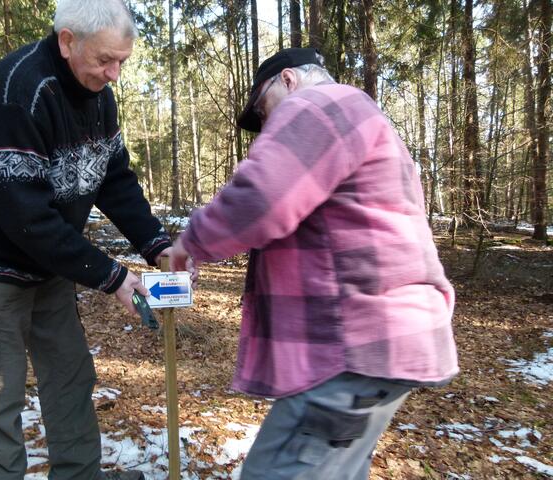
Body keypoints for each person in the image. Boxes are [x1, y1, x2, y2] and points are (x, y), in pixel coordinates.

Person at [0, 1, 194, 478]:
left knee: (70, 376)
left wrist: (156, 244)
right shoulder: (14, 96)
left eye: (122, 61)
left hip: (48, 260)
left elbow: (113, 178)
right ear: (67, 40)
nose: (115, 74)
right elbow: (24, 218)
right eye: (105, 60)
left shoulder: (98, 93)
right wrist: (112, 276)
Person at [170, 48, 458, 479]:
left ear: (288, 80)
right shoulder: (362, 117)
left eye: (263, 110)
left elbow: (262, 200)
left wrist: (189, 242)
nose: (266, 125)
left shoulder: (318, 104)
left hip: (352, 348)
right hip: (387, 346)